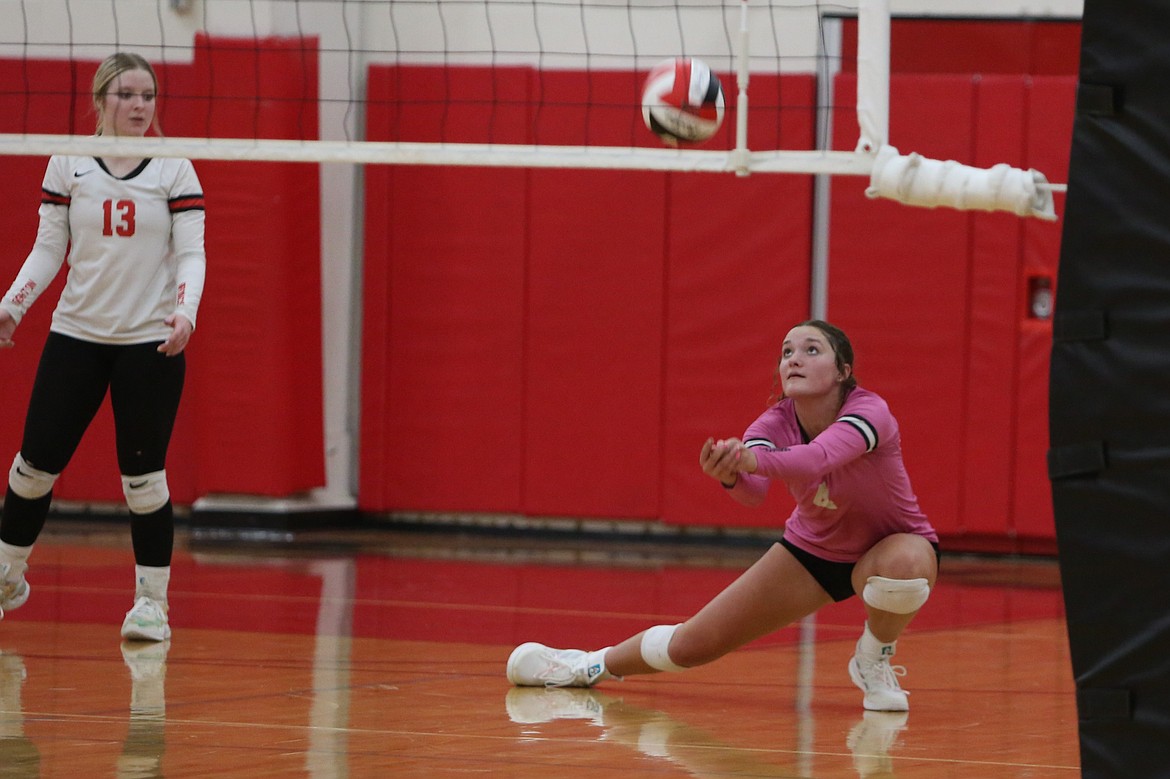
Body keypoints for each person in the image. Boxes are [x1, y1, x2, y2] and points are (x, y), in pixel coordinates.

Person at [507, 320, 940, 711]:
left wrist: (752, 463)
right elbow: (754, 492)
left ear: (843, 371)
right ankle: (584, 666)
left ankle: (873, 656)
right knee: (694, 645)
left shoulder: (870, 411)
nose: (794, 359)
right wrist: (731, 475)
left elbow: (817, 459)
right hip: (815, 551)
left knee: (904, 569)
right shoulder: (773, 422)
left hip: (893, 543)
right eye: (787, 351)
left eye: (811, 350)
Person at [0, 52, 206, 642]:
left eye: (148, 95)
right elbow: (47, 249)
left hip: (149, 343)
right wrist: (12, 305)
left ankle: (151, 605)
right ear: (100, 101)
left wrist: (185, 311)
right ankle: (8, 576)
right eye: (126, 95)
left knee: (143, 479)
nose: (139, 106)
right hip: (76, 335)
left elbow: (192, 252)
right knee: (32, 466)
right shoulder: (69, 160)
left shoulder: (175, 169)